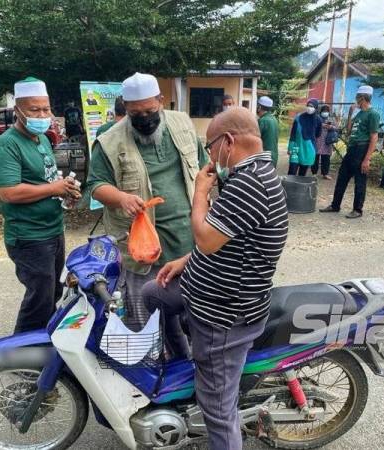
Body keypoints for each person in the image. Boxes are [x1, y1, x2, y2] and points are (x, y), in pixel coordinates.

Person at [142, 107, 288, 450]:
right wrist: (186, 260)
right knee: (153, 292)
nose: (209, 155)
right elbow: (227, 239)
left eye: (209, 147)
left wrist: (199, 194)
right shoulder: (244, 176)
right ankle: (183, 361)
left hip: (224, 312)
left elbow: (207, 237)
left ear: (228, 141)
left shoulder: (251, 183)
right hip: (202, 287)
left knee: (219, 412)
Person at [86, 72, 207, 327]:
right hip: (143, 251)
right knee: (146, 318)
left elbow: (203, 168)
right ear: (125, 107)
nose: (145, 119)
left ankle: (184, 361)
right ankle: (151, 361)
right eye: (136, 114)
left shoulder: (183, 124)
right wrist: (120, 198)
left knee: (192, 313)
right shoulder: (110, 141)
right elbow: (96, 186)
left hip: (188, 240)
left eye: (150, 111)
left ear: (161, 101)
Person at [0, 77, 81, 333]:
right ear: (17, 111)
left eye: (46, 109)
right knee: (39, 297)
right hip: (29, 236)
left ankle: (45, 343)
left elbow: (46, 181)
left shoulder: (41, 139)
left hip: (52, 229)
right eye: (34, 110)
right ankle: (23, 356)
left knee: (52, 291)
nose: (42, 115)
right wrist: (54, 188)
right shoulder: (8, 144)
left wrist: (65, 193)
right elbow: (8, 192)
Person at [320, 85, 380, 219]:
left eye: (357, 97)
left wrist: (367, 159)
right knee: (342, 178)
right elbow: (348, 131)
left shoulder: (373, 114)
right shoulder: (359, 113)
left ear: (363, 98)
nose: (356, 100)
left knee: (360, 180)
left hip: (362, 148)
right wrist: (350, 113)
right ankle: (335, 205)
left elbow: (374, 137)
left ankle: (357, 209)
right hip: (352, 148)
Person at [287, 98, 322, 176]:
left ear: (316, 108)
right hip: (296, 147)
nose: (309, 108)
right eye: (308, 105)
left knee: (302, 174)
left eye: (312, 106)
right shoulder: (298, 118)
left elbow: (318, 134)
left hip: (308, 149)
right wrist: (290, 147)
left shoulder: (318, 120)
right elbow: (293, 134)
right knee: (292, 171)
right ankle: (288, 187)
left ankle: (299, 188)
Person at [311, 104, 338, 180]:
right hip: (318, 140)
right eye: (324, 111)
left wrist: (331, 127)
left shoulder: (331, 119)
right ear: (321, 111)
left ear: (329, 112)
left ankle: (325, 174)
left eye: (327, 111)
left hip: (327, 142)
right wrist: (321, 125)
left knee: (326, 158)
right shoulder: (317, 118)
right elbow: (313, 126)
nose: (325, 112)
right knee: (315, 157)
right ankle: (314, 173)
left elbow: (337, 128)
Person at [256, 96, 280, 167]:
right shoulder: (274, 119)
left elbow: (255, 140)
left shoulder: (262, 121)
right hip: (273, 157)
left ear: (259, 107)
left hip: (264, 158)